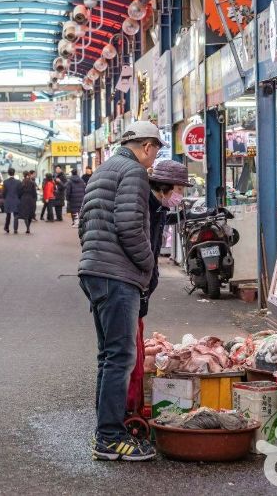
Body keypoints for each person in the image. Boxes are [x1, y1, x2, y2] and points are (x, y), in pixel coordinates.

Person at [77, 120, 163, 461]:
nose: (155, 158)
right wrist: (147, 265)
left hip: (95, 270)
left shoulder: (103, 170)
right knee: (121, 356)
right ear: (145, 146)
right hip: (117, 275)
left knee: (108, 355)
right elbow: (129, 226)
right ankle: (110, 436)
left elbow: (84, 222)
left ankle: (106, 431)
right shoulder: (133, 172)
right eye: (156, 150)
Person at [145, 161, 192, 313]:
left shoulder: (160, 207)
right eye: (179, 189)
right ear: (164, 187)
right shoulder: (145, 207)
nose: (181, 195)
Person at [17, 170, 38, 234]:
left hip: (23, 199)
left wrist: (20, 198)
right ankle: (28, 226)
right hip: (30, 199)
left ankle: (27, 228)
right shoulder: (32, 182)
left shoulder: (22, 182)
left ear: (23, 175)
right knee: (30, 213)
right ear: (28, 174)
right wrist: (34, 198)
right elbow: (34, 192)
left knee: (25, 214)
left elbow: (19, 192)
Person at [2, 168, 21, 234]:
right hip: (16, 199)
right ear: (14, 173)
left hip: (8, 199)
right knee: (16, 215)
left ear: (8, 173)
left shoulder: (5, 182)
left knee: (8, 215)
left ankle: (7, 227)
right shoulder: (18, 182)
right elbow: (20, 192)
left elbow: (3, 192)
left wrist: (4, 198)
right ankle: (15, 229)